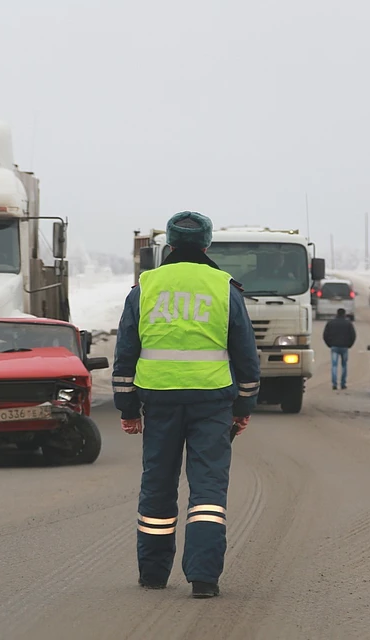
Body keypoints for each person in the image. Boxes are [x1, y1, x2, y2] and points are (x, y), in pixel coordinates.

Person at [112, 211, 260, 599]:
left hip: (158, 401)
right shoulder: (223, 288)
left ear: (169, 246)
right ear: (207, 246)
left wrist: (127, 408)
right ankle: (204, 579)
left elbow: (126, 349)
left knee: (157, 485)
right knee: (208, 489)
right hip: (212, 402)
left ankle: (154, 574)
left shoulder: (146, 286)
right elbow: (245, 353)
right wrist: (244, 405)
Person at [322, 308, 356, 390]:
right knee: (344, 365)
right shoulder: (348, 323)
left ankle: (334, 384)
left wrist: (329, 344)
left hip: (334, 346)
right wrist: (349, 345)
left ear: (337, 313)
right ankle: (343, 384)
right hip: (344, 347)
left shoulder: (331, 323)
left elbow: (325, 335)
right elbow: (353, 335)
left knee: (334, 365)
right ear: (344, 314)